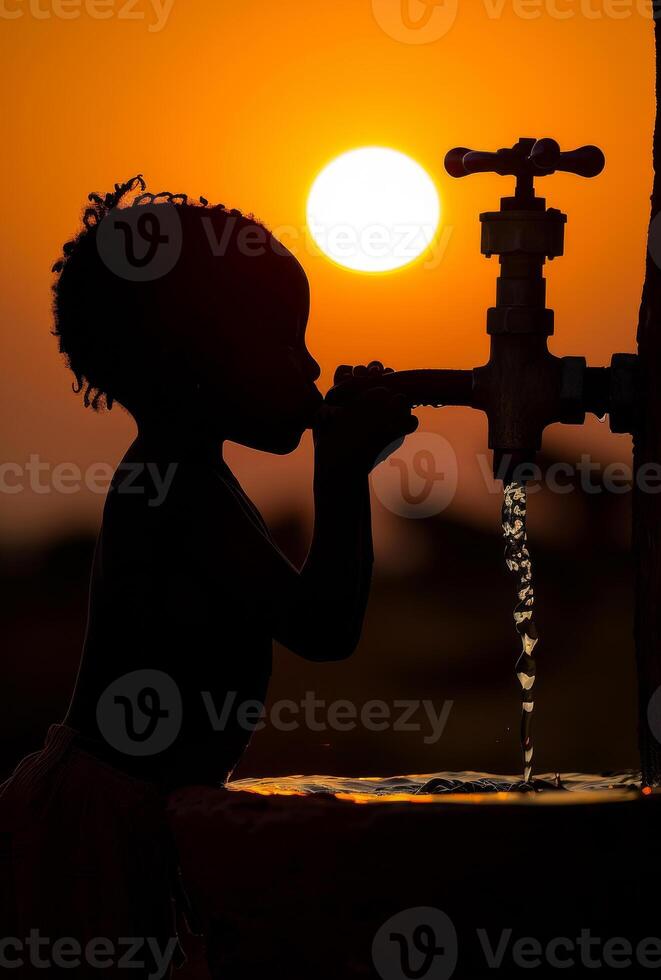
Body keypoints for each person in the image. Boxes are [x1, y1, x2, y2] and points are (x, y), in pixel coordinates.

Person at [0, 176, 418, 976]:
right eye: (283, 341)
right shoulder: (177, 488)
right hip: (100, 825)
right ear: (194, 360)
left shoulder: (186, 475)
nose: (310, 364)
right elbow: (322, 627)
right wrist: (341, 473)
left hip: (114, 807)